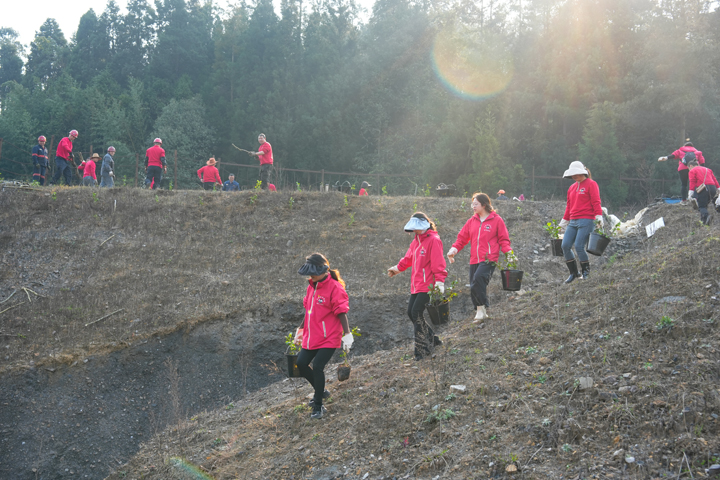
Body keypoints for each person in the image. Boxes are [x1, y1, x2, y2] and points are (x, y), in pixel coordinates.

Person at [293, 253, 353, 420]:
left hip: (329, 336)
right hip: (313, 335)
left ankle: (318, 406)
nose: (311, 276)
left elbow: (341, 311)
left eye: (313, 273)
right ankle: (321, 390)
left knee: (318, 366)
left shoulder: (335, 287)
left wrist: (347, 334)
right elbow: (308, 310)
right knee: (301, 363)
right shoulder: (311, 286)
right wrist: (300, 329)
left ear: (323, 270)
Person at [387, 212, 447, 360]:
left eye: (417, 227)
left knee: (416, 313)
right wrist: (397, 268)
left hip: (428, 284)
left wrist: (439, 282)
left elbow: (438, 263)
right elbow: (408, 258)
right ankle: (433, 339)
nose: (415, 230)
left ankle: (421, 350)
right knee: (411, 313)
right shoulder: (416, 241)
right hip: (417, 284)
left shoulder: (434, 240)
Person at [447, 193, 514, 321]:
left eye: (476, 204)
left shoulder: (496, 220)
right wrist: (453, 250)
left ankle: (481, 309)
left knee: (478, 279)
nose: (473, 206)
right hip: (474, 259)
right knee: (474, 285)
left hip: (489, 258)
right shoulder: (471, 221)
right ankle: (481, 311)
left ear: (484, 204)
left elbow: (504, 240)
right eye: (472, 204)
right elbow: (462, 239)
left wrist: (509, 253)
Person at [558, 161, 603, 283]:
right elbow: (569, 206)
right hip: (573, 221)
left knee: (579, 246)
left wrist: (599, 216)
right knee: (565, 245)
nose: (574, 176)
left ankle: (585, 272)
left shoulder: (591, 184)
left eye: (576, 174)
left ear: (582, 172)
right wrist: (563, 222)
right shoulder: (571, 188)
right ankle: (573, 273)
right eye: (572, 174)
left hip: (586, 219)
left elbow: (596, 202)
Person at [658, 139, 705, 203]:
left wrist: (666, 157)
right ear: (692, 146)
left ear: (684, 146)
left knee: (684, 184)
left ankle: (684, 200)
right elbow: (702, 162)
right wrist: (702, 170)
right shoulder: (697, 152)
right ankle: (695, 198)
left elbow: (673, 155)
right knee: (695, 183)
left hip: (683, 168)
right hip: (694, 168)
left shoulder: (680, 150)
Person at [687, 157, 719, 225]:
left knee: (701, 206)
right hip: (713, 188)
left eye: (688, 168)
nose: (689, 170)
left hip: (704, 188)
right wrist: (718, 188)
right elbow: (714, 179)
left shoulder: (692, 171)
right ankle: (706, 221)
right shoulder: (708, 169)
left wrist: (690, 193)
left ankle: (706, 217)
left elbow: (692, 182)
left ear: (690, 166)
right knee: (707, 204)